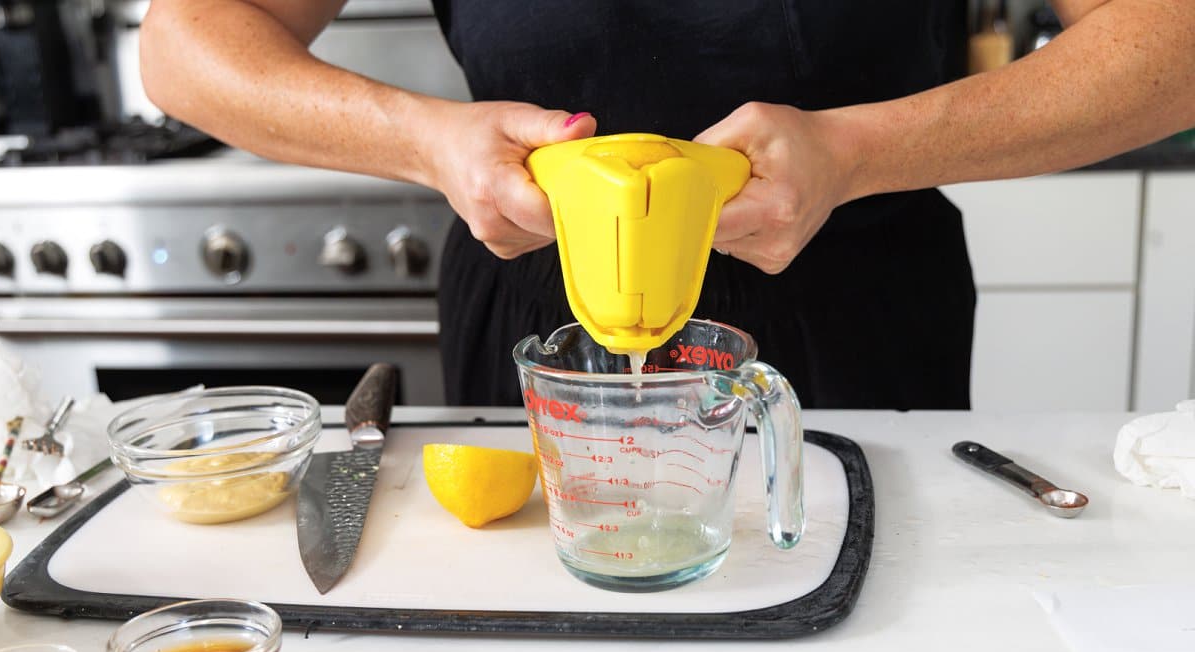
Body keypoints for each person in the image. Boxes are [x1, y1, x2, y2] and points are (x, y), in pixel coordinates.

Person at [138, 1, 1195, 409]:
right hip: (536, 318)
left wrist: (858, 149)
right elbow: (185, 43)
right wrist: (427, 138)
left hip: (854, 314)